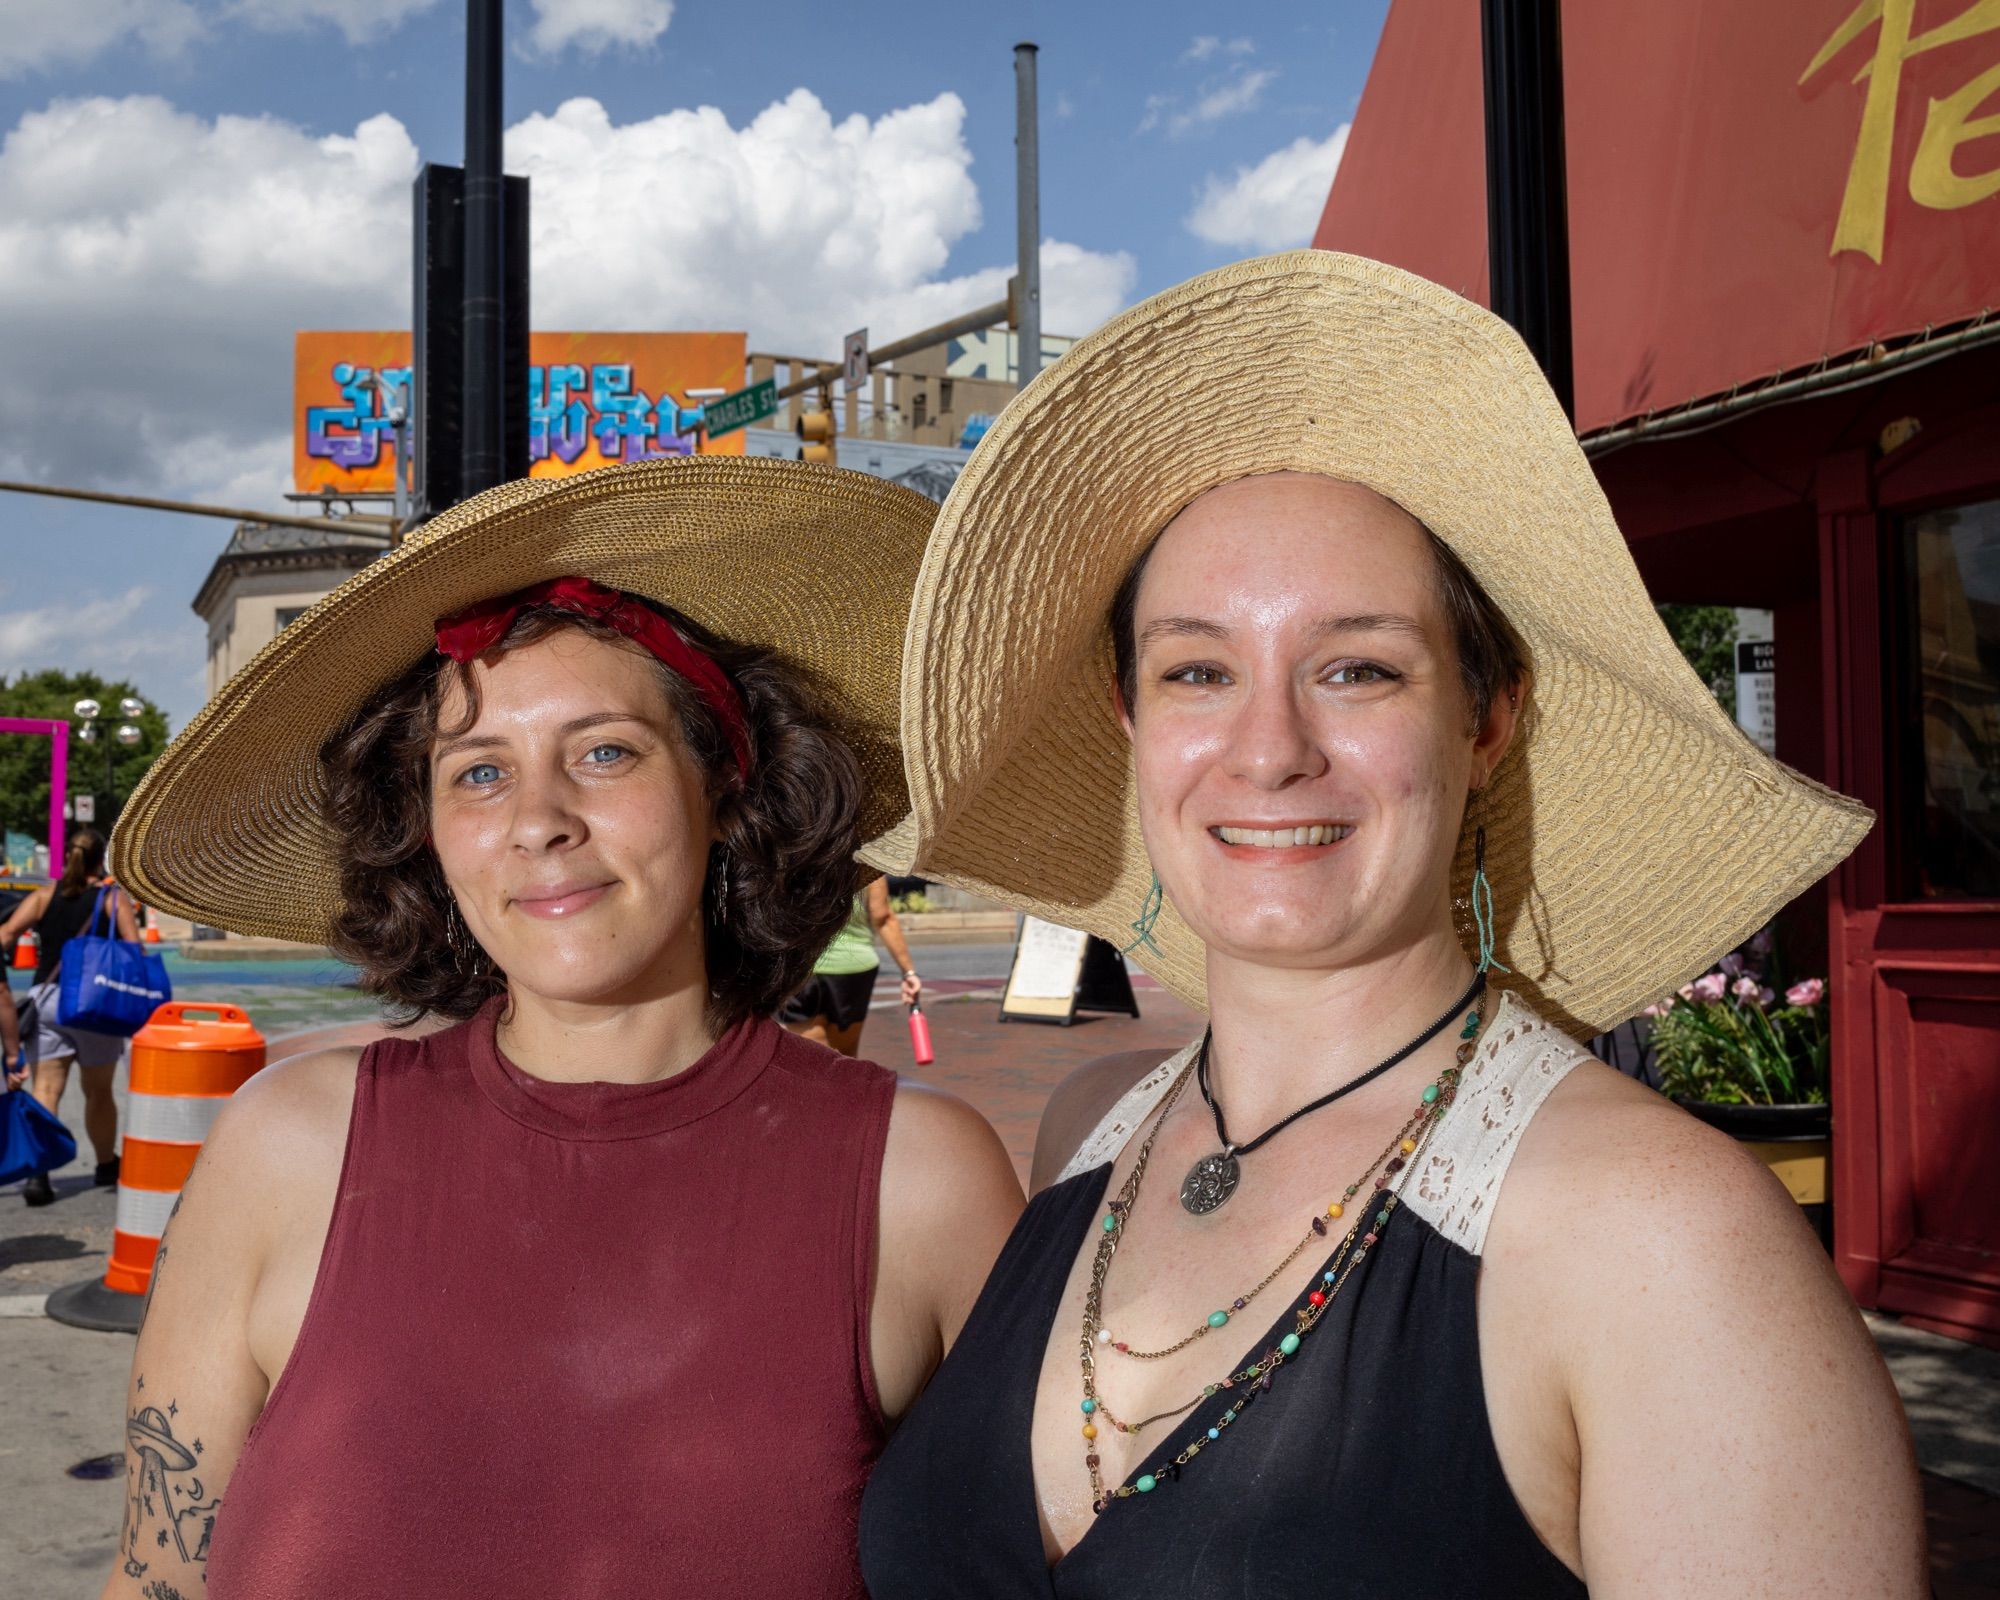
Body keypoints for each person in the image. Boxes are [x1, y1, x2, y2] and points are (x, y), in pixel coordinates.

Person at [856, 254, 1927, 1595]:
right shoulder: (1087, 1136)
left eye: (1357, 669)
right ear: (1132, 723)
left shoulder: (1660, 1241)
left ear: (1485, 720)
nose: (1269, 750)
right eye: (1198, 670)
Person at [100, 459, 1022, 1599]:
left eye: (604, 752)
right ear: (426, 831)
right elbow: (152, 1579)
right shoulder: (280, 1145)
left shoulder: (923, 1184)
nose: (537, 821)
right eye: (478, 772)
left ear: (724, 785)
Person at [0, 827, 138, 1205]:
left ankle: (39, 1174)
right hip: (95, 1004)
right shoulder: (111, 897)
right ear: (100, 859)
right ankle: (106, 1164)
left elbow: (7, 935)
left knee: (46, 1088)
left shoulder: (45, 896)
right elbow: (133, 948)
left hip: (47, 998)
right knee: (98, 1090)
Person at [782, 878, 922, 1056]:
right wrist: (908, 972)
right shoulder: (868, 861)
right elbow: (882, 917)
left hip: (801, 966)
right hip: (854, 968)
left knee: (811, 1059)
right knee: (844, 1056)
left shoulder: (789, 855)